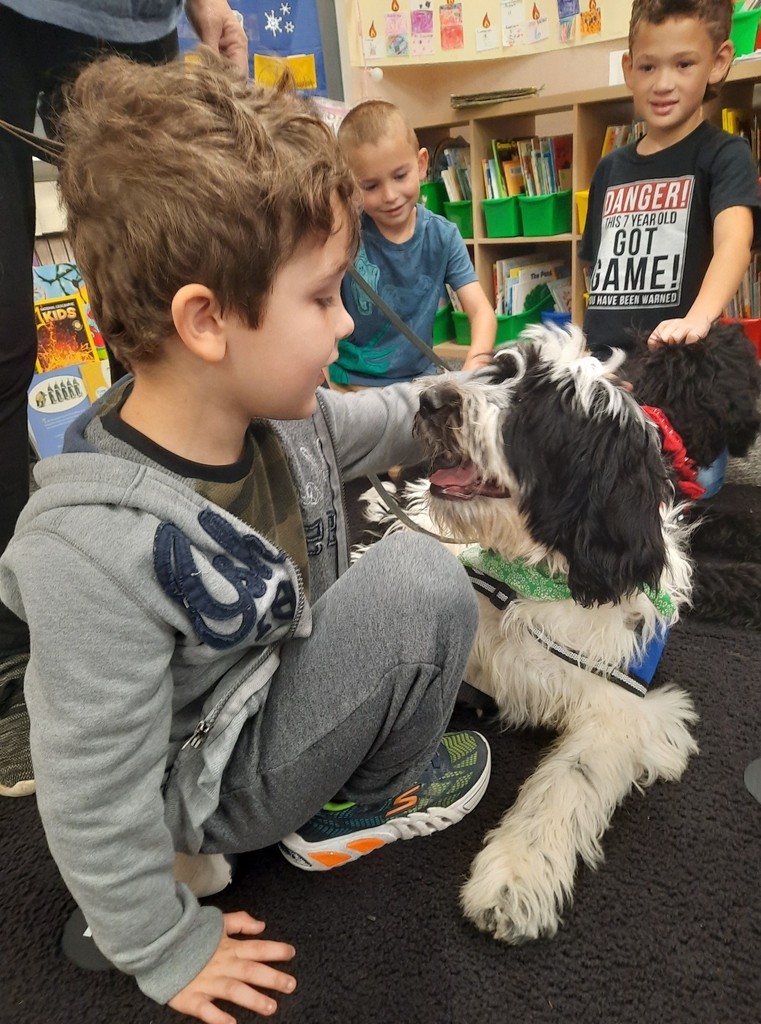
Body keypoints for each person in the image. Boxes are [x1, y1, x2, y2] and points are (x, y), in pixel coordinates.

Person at [0, 52, 491, 1021]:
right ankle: (358, 805)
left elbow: (381, 420)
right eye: (320, 297)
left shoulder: (274, 414)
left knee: (418, 560)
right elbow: (88, 790)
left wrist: (482, 404)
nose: (345, 318)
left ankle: (328, 782)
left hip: (270, 692)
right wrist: (165, 945)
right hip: (215, 780)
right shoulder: (91, 549)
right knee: (423, 581)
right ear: (206, 321)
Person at [0, 0, 248, 798]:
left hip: (130, 17)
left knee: (161, 323)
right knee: (4, 344)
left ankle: (191, 590)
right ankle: (13, 655)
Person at [580, 0, 761, 359]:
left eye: (683, 64)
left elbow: (734, 242)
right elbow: (595, 273)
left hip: (675, 364)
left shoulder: (725, 155)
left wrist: (696, 320)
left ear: (719, 62)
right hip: (602, 369)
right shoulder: (609, 168)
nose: (663, 83)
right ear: (629, 69)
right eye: (648, 66)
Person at [328, 99, 497, 388]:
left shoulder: (443, 236)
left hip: (420, 384)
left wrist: (473, 368)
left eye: (400, 176)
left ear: (421, 165)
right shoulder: (343, 234)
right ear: (351, 186)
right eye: (370, 186)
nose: (390, 195)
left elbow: (482, 311)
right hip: (352, 384)